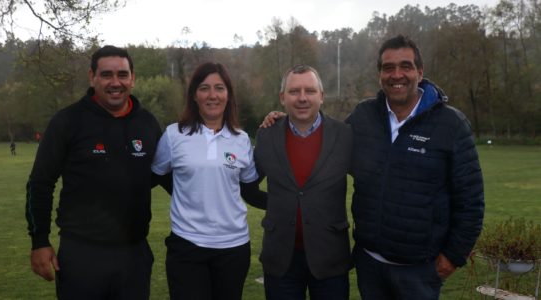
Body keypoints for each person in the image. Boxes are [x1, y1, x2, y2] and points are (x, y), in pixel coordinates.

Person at [345, 35, 484, 299]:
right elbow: (327, 142)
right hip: (369, 265)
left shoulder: (451, 125)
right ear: (380, 75)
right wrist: (287, 121)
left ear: (420, 72)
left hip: (420, 273)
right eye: (388, 67)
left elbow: (471, 201)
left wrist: (452, 257)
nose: (397, 74)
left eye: (405, 66)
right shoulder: (363, 116)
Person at [25, 45, 169, 300]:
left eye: (122, 75)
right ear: (92, 77)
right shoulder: (68, 121)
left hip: (134, 254)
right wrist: (39, 241)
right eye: (106, 75)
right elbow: (40, 182)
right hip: (82, 255)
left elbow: (166, 177)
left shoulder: (147, 123)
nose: (116, 82)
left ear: (132, 78)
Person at [151, 62, 266, 300]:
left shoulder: (242, 140)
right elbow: (157, 175)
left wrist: (291, 203)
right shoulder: (174, 135)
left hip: (234, 248)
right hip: (186, 246)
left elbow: (250, 191)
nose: (212, 95)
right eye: (204, 88)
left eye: (219, 88)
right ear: (194, 95)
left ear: (228, 95)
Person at [254, 65, 352, 300]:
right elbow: (248, 185)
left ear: (321, 95)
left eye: (309, 91)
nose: (302, 98)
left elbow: (369, 183)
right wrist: (279, 205)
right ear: (282, 98)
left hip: (330, 258)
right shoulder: (266, 135)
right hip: (281, 259)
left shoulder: (345, 135)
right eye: (294, 91)